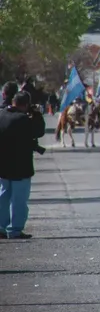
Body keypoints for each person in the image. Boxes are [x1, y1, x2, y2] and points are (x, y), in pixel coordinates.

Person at [0, 91, 47, 239]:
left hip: (2, 165)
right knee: (18, 199)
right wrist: (37, 114)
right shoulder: (24, 119)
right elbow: (39, 131)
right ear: (26, 105)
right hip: (21, 166)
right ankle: (15, 229)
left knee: (3, 195)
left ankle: (0, 227)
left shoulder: (1, 115)